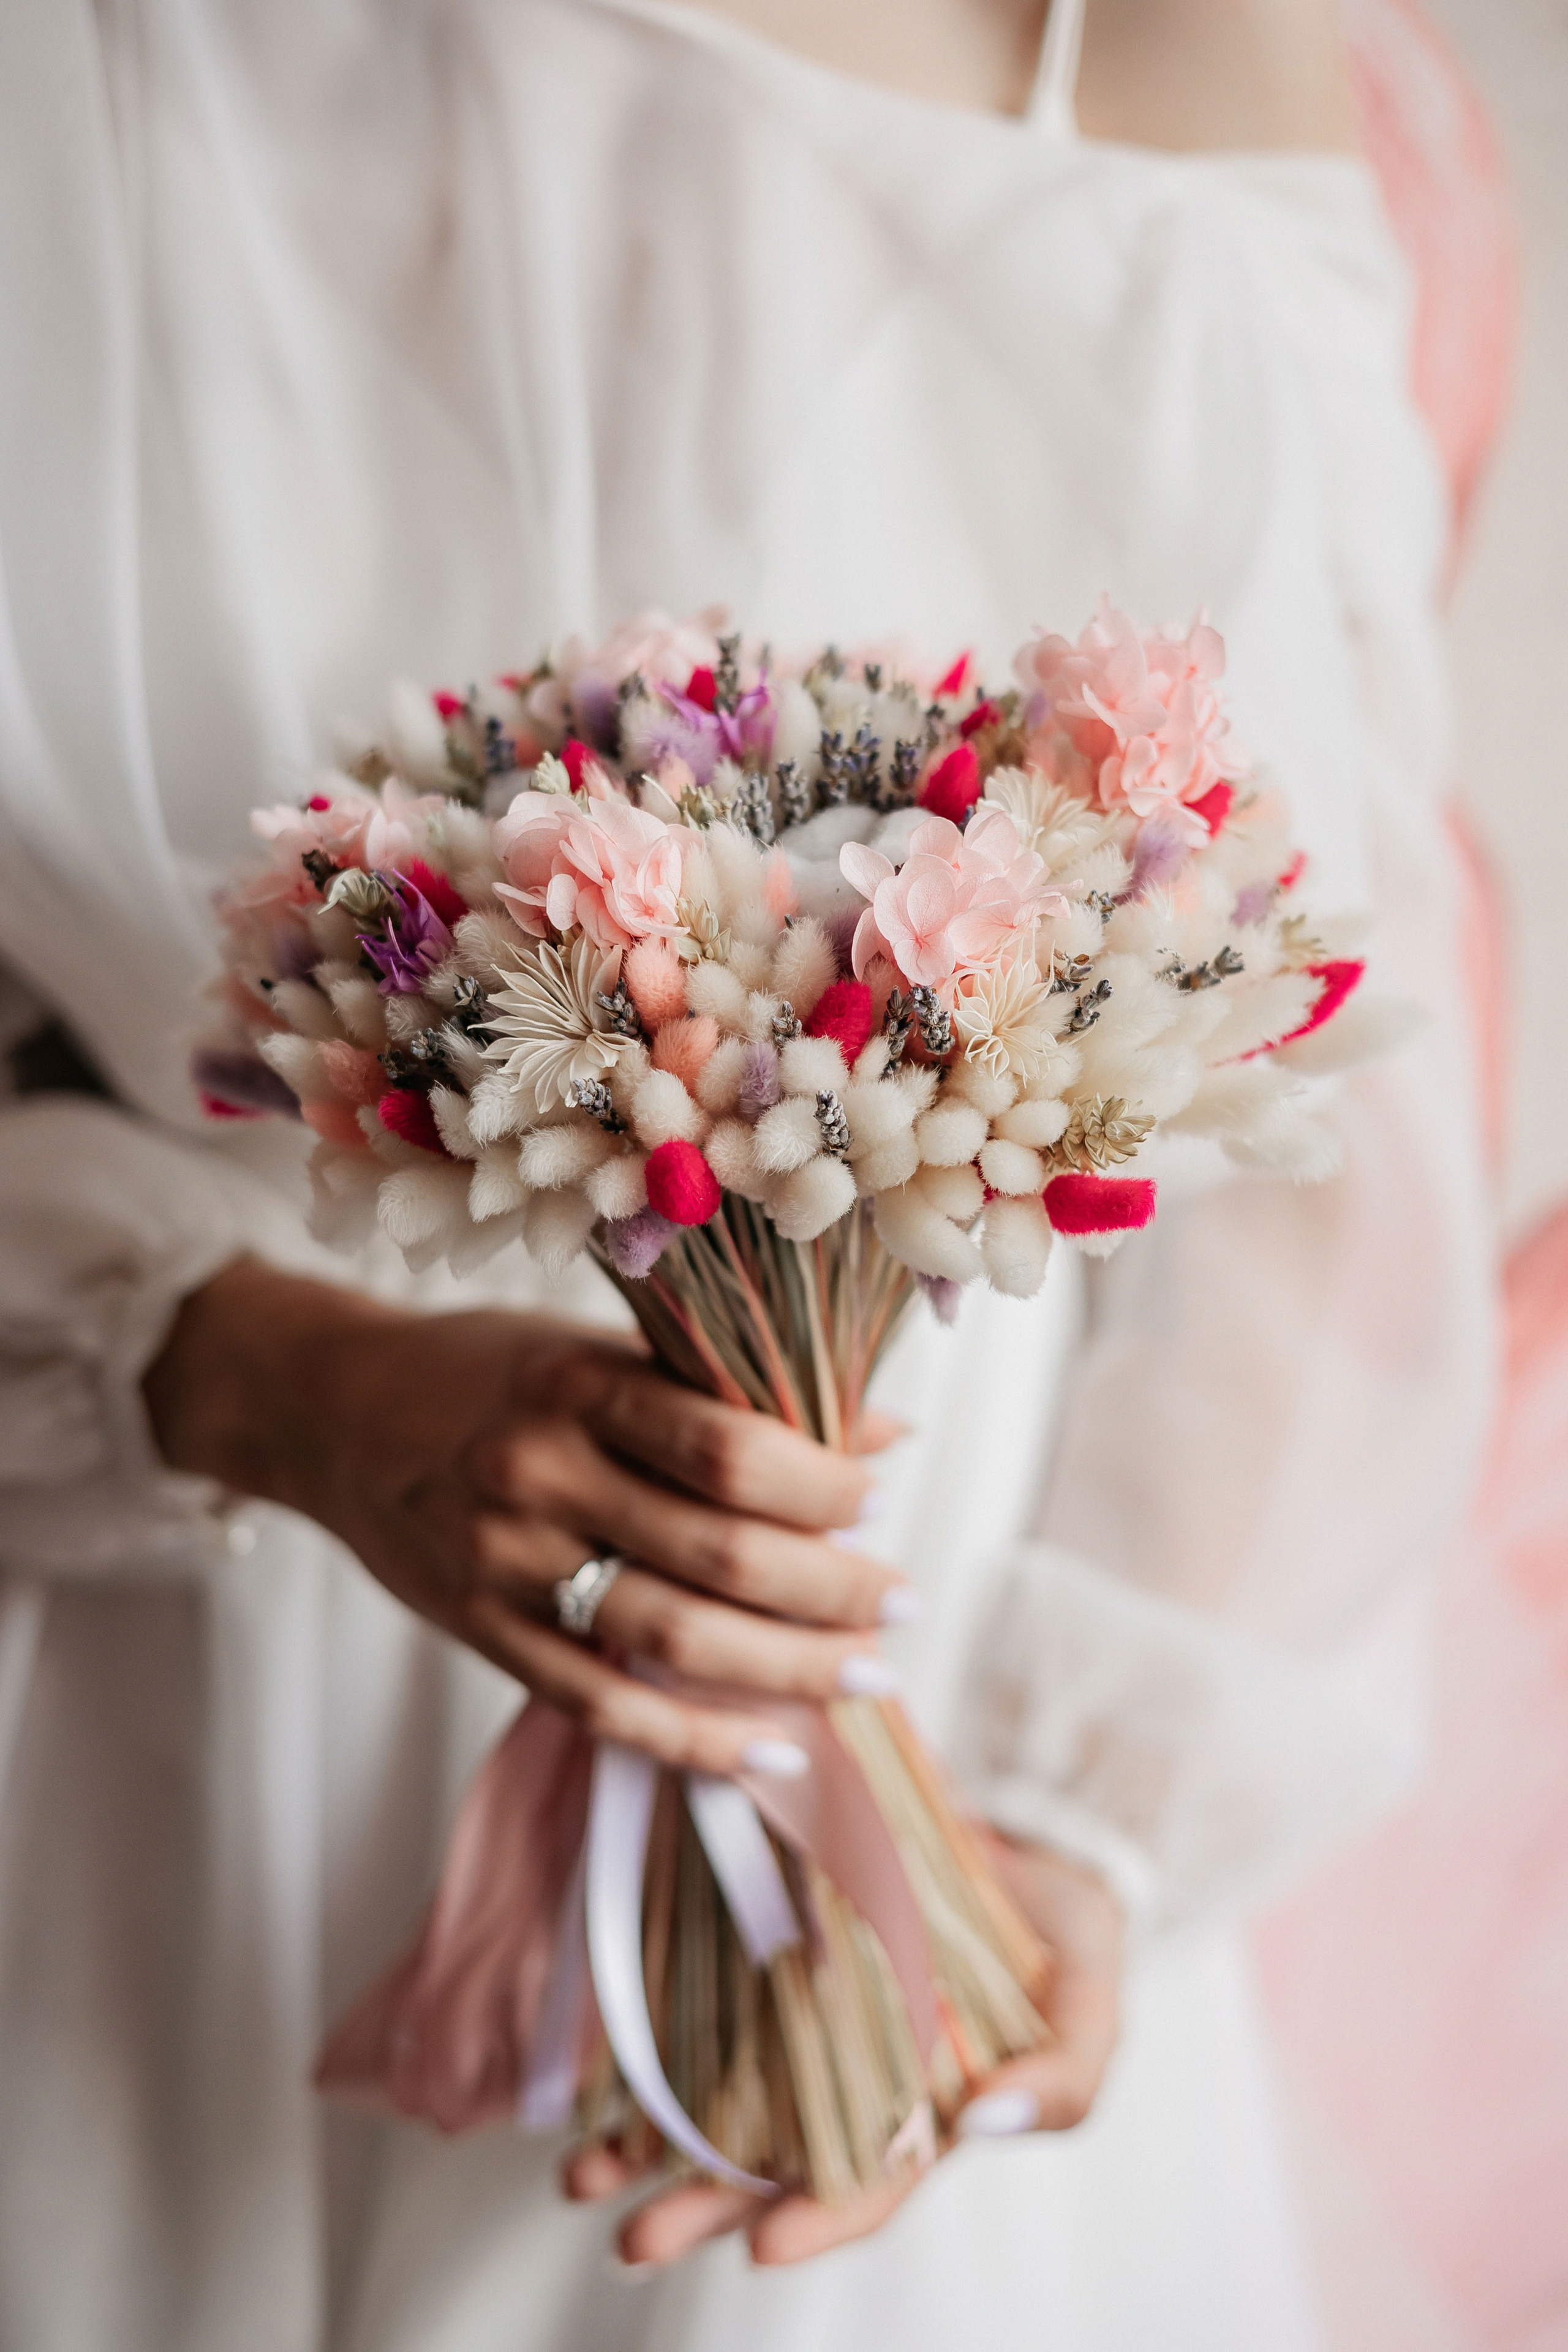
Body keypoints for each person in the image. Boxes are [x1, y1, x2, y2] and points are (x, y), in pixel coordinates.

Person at [0, 1, 1493, 2346]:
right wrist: (262, 1378)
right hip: (155, 1653)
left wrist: (1068, 1839)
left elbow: (1324, 1117)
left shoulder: (1172, 42)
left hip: (925, 1685)